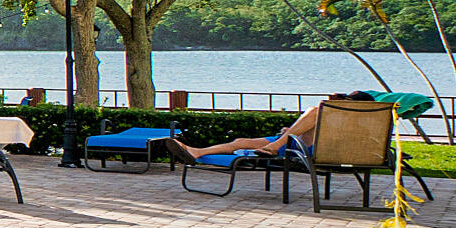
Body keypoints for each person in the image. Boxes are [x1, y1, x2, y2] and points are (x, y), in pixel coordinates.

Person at [159, 93, 378, 164]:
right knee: (241, 142)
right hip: (294, 143)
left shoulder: (357, 125)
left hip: (306, 151)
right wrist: (294, 131)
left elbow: (338, 145)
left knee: (315, 109)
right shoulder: (343, 120)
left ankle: (276, 145)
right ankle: (197, 152)